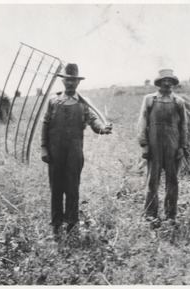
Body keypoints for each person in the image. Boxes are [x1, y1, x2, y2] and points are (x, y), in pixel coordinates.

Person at [41, 63, 112, 239]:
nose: (70, 84)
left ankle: (72, 225)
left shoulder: (84, 103)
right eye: (67, 80)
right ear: (63, 81)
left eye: (74, 81)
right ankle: (56, 225)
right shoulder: (53, 101)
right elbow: (45, 124)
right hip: (55, 152)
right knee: (56, 188)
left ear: (78, 82)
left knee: (72, 188)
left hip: (74, 152)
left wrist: (103, 128)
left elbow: (94, 121)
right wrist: (44, 148)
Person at [137, 69, 188, 227]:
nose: (167, 84)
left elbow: (183, 126)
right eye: (164, 81)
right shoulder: (149, 99)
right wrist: (144, 144)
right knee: (153, 180)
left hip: (172, 145)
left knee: (172, 181)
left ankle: (170, 215)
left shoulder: (178, 102)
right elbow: (142, 121)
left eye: (170, 81)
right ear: (159, 83)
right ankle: (150, 215)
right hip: (154, 145)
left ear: (173, 83)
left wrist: (182, 147)